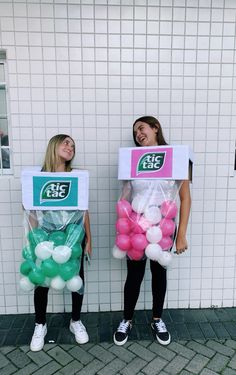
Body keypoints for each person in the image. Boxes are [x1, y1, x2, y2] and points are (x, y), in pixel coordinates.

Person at [113, 116, 191, 346]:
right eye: (135, 131)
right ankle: (127, 320)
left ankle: (157, 319)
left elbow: (185, 198)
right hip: (137, 226)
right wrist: (123, 229)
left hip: (164, 226)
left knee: (159, 274)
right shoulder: (132, 159)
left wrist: (182, 234)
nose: (138, 133)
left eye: (142, 128)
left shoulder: (175, 157)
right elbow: (126, 196)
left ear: (156, 128)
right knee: (134, 275)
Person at [29, 134, 92, 352]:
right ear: (54, 145)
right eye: (66, 142)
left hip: (73, 237)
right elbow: (31, 211)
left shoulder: (76, 176)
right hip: (46, 237)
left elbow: (84, 212)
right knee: (42, 280)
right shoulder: (36, 177)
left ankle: (75, 321)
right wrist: (33, 238)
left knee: (76, 278)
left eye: (73, 146)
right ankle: (40, 325)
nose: (70, 147)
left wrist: (89, 240)